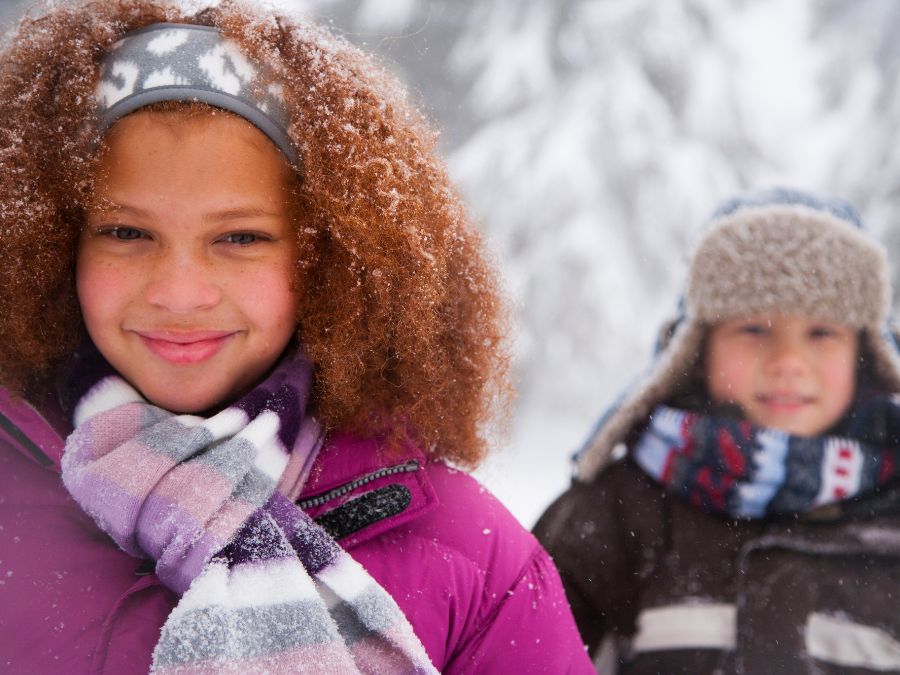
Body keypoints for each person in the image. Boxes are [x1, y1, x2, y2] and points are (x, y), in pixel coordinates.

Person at [0, 2, 593, 672]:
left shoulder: (472, 560)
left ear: (330, 259)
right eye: (127, 233)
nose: (179, 289)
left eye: (240, 238)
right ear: (50, 243)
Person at [535, 188, 900, 674]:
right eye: (754, 328)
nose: (788, 361)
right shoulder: (614, 515)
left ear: (869, 354)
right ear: (695, 350)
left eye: (821, 333)